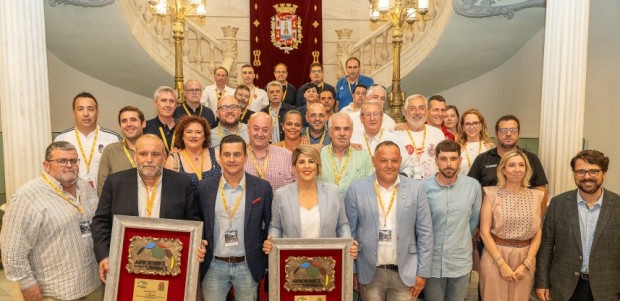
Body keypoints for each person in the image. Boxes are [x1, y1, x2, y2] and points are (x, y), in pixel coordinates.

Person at [92, 134, 203, 283]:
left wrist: (199, 242)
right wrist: (104, 255)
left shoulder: (182, 183)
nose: (149, 159)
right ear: (135, 156)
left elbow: (193, 221)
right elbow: (101, 222)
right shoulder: (115, 182)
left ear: (164, 156)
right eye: (143, 154)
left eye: (155, 154)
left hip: (168, 266)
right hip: (125, 264)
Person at [0, 142, 103, 301]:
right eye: (62, 161)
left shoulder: (84, 186)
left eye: (74, 161)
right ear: (46, 165)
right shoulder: (26, 198)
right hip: (55, 292)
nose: (69, 166)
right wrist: (27, 285)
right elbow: (12, 251)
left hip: (92, 285)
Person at [345, 141, 433, 301]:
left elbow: (425, 233)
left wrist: (423, 273)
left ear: (400, 161)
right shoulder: (357, 188)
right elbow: (349, 234)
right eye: (383, 160)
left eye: (394, 160)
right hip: (369, 272)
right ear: (373, 161)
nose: (389, 165)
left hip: (405, 272)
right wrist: (352, 271)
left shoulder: (416, 188)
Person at [535, 150, 620, 301]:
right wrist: (542, 282)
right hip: (565, 286)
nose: (587, 176)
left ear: (604, 173)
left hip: (608, 288)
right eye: (581, 171)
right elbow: (546, 245)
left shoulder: (617, 206)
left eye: (593, 171)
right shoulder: (558, 204)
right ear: (574, 174)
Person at [197, 134, 273, 301]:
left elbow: (270, 225)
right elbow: (198, 222)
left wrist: (269, 244)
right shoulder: (204, 187)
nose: (232, 159)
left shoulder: (262, 187)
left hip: (247, 265)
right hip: (213, 266)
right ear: (219, 157)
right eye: (227, 154)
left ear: (245, 157)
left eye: (237, 154)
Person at [263, 145, 356, 252]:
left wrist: (348, 243)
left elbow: (342, 225)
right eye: (301, 162)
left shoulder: (334, 192)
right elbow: (276, 227)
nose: (307, 166)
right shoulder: (281, 194)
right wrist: (272, 240)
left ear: (317, 166)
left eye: (311, 161)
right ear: (294, 167)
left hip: (327, 261)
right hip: (293, 262)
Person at [478, 149, 544, 301]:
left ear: (527, 169)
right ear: (503, 169)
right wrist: (501, 264)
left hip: (525, 259)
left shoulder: (536, 196)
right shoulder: (491, 194)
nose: (517, 169)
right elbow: (484, 232)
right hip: (495, 256)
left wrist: (526, 263)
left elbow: (538, 232)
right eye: (512, 165)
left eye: (521, 165)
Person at [422, 140, 481, 301]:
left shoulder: (473, 186)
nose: (449, 164)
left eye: (453, 159)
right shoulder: (423, 187)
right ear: (436, 161)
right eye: (444, 159)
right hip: (432, 263)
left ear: (460, 161)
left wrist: (459, 240)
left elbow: (473, 221)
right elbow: (420, 226)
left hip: (460, 262)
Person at [467, 115, 548, 212]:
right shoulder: (483, 159)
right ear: (496, 133)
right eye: (504, 130)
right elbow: (471, 189)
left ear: (519, 133)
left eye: (513, 130)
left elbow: (541, 190)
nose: (509, 134)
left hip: (523, 218)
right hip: (489, 217)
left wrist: (538, 219)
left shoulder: (531, 159)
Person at [54, 92, 121, 189]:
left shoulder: (112, 138)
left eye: (90, 109)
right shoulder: (61, 139)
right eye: (80, 109)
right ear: (73, 113)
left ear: (97, 113)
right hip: (71, 196)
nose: (86, 114)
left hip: (104, 197)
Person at [318, 112, 374, 197]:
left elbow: (370, 189)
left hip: (356, 209)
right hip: (325, 208)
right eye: (337, 129)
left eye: (346, 129)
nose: (342, 133)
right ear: (330, 132)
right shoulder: (318, 156)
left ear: (351, 132)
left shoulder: (364, 156)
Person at [97, 106, 146, 195]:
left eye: (133, 120)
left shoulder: (155, 149)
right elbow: (102, 189)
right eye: (124, 121)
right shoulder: (110, 151)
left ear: (143, 124)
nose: (128, 124)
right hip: (119, 207)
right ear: (120, 126)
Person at [165, 116, 221, 191]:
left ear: (204, 136)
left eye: (198, 132)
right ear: (182, 136)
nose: (193, 136)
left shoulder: (216, 154)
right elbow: (168, 191)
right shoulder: (173, 159)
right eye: (189, 132)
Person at [396, 94, 445, 180]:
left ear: (426, 111)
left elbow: (444, 162)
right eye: (413, 108)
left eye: (421, 108)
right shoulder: (397, 135)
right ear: (405, 112)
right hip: (406, 187)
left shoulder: (438, 134)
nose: (417, 112)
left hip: (433, 187)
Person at [245, 112, 296, 193]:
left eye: (265, 130)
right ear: (248, 128)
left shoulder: (287, 156)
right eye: (256, 129)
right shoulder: (238, 157)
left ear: (271, 131)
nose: (260, 134)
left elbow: (298, 187)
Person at [456, 108, 495, 175]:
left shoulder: (490, 147)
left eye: (475, 123)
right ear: (463, 128)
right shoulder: (457, 148)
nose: (471, 127)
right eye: (468, 124)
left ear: (481, 126)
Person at [144, 86, 178, 153]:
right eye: (163, 100)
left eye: (171, 101)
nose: (168, 105)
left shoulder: (184, 127)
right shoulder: (145, 127)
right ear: (155, 103)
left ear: (176, 105)